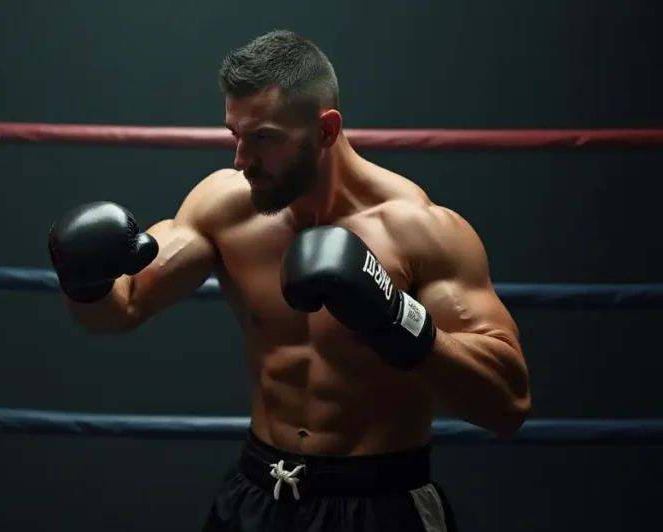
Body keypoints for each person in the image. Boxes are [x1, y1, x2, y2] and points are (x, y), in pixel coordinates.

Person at [47, 29, 530, 532]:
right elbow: (120, 310)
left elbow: (508, 404)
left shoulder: (420, 232)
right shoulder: (223, 208)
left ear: (326, 130)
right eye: (235, 134)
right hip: (258, 493)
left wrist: (395, 317)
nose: (241, 160)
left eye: (263, 138)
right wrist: (86, 282)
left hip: (379, 503)